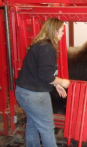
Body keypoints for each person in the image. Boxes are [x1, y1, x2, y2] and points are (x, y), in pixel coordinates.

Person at [15, 17, 70, 147]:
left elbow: (39, 72)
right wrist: (62, 82)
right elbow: (45, 75)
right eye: (62, 31)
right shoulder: (47, 48)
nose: (63, 34)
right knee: (47, 128)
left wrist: (56, 84)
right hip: (35, 96)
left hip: (23, 92)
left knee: (32, 124)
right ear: (54, 31)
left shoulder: (40, 45)